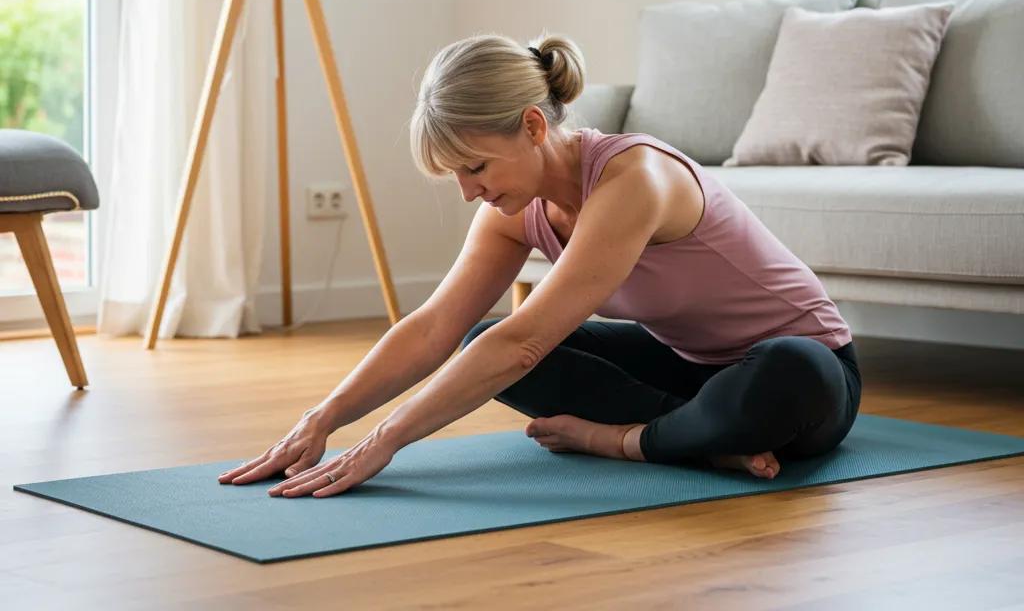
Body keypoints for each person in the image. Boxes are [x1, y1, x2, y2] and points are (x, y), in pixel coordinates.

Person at [219, 33, 861, 498]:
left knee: (792, 367)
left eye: (475, 167)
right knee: (478, 343)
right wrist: (324, 418)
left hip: (807, 374)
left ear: (532, 125)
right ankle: (704, 436)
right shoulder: (513, 208)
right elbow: (434, 325)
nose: (469, 191)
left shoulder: (635, 177)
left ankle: (630, 440)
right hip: (693, 373)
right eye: (454, 176)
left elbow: (524, 341)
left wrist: (386, 439)